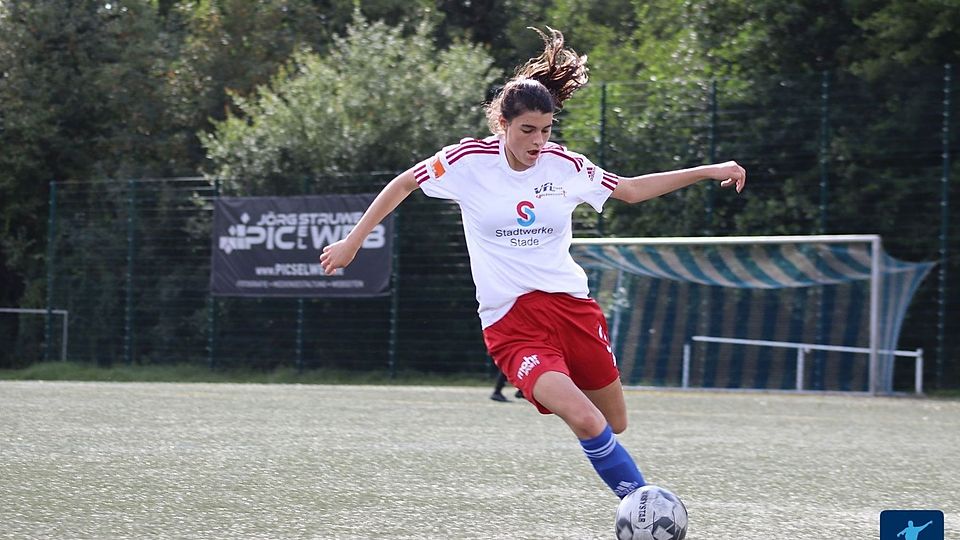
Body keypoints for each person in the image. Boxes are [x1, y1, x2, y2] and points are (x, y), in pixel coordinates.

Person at [319, 27, 745, 499]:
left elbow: (629, 190)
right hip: (511, 321)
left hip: (572, 309)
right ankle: (640, 503)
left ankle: (578, 417)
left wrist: (709, 170)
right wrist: (354, 241)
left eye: (545, 130)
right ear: (502, 124)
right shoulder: (467, 160)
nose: (538, 141)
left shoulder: (565, 165)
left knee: (613, 422)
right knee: (584, 418)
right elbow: (402, 183)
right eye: (527, 130)